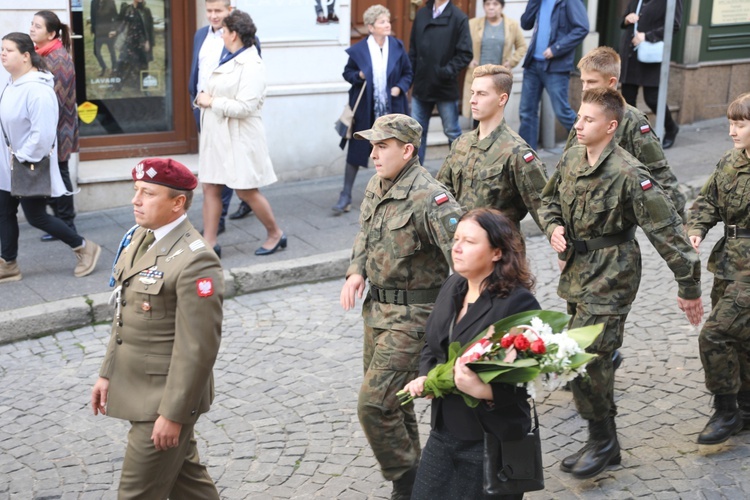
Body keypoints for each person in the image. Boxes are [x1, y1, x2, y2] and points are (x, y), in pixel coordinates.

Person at [539, 87, 703, 479]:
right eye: (578, 118)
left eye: (588, 120)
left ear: (611, 127)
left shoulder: (629, 173)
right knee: (584, 360)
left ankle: (603, 441)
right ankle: (604, 441)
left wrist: (689, 287)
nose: (578, 125)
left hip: (614, 273)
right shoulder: (572, 157)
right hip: (578, 270)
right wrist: (553, 228)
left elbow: (667, 232)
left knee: (585, 356)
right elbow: (548, 202)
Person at [339, 113, 463, 499]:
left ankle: (408, 484)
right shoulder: (378, 184)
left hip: (413, 319)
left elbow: (463, 256)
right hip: (376, 312)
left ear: (407, 151)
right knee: (395, 403)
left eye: (382, 146)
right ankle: (418, 478)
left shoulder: (431, 197)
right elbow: (365, 233)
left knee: (373, 406)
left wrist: (464, 317)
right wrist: (355, 271)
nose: (373, 153)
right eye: (372, 145)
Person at [91, 157, 223, 498]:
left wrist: (173, 415)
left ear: (177, 203)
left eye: (148, 193)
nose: (136, 200)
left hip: (162, 400)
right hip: (136, 386)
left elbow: (198, 348)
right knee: (189, 486)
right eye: (136, 191)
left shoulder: (196, 259)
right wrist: (108, 373)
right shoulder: (139, 236)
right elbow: (124, 312)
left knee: (136, 494)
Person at [403, 208, 538, 500]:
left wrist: (485, 391)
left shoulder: (517, 303)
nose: (457, 247)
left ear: (497, 253)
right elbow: (432, 343)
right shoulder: (453, 285)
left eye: (470, 241)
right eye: (456, 239)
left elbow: (529, 376)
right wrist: (426, 376)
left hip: (489, 437)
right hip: (444, 429)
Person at [0, 32, 101, 283]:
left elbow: (42, 136)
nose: (2, 53)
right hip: (7, 165)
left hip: (26, 164)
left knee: (36, 216)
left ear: (25, 56)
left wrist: (20, 157)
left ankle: (84, 247)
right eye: (1, 48)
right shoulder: (11, 84)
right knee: (4, 212)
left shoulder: (37, 90)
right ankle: (9, 263)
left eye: (8, 49)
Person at [195, 10, 285, 257]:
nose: (221, 35)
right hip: (217, 134)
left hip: (239, 136)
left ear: (234, 34)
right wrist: (204, 99)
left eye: (224, 31)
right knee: (210, 187)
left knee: (245, 191)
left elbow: (245, 107)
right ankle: (209, 243)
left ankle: (276, 234)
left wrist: (210, 101)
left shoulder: (252, 64)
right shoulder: (229, 56)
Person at [687, 92, 750, 445]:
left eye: (739, 124)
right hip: (728, 263)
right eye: (730, 123)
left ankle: (725, 412)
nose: (731, 131)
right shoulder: (731, 161)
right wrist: (696, 230)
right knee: (742, 339)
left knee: (715, 333)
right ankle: (746, 408)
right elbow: (708, 201)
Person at [565, 46, 685, 219]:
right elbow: (569, 159)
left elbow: (659, 172)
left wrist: (681, 220)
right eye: (583, 82)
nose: (584, 88)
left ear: (611, 82)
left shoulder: (632, 120)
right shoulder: (584, 114)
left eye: (591, 82)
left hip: (611, 218)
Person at [437, 64, 547, 230]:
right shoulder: (461, 144)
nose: (472, 100)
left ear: (502, 99)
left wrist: (564, 250)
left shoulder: (517, 152)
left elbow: (544, 207)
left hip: (500, 247)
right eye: (473, 92)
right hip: (464, 245)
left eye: (481, 94)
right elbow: (441, 193)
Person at [332, 4, 413, 215]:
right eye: (382, 22)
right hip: (366, 110)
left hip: (392, 109)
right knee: (356, 152)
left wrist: (400, 87)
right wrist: (358, 76)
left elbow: (407, 72)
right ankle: (346, 195)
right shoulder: (359, 50)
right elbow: (347, 73)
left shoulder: (397, 45)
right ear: (371, 27)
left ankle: (395, 194)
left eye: (387, 21)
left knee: (394, 151)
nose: (387, 25)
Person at [188, 0, 254, 233]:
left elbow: (249, 77)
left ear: (230, 10)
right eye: (209, 11)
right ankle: (229, 211)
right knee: (216, 168)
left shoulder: (241, 38)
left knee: (224, 167)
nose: (213, 16)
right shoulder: (200, 35)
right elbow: (197, 69)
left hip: (225, 111)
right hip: (202, 109)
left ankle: (219, 220)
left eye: (218, 11)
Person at [29, 10, 80, 242]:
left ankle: (67, 225)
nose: (31, 29)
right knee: (55, 172)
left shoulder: (57, 60)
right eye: (32, 24)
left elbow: (54, 101)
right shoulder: (43, 54)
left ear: (50, 34)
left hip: (58, 128)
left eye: (37, 26)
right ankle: (61, 223)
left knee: (60, 172)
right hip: (54, 127)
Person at [518, 0, 589, 151]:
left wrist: (556, 48)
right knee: (526, 112)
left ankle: (591, 145)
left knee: (562, 112)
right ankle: (526, 159)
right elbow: (525, 24)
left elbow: (582, 28)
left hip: (556, 66)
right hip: (532, 64)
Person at [409, 0, 472, 164]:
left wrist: (445, 71)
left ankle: (459, 174)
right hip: (421, 85)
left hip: (445, 86)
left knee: (452, 132)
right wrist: (411, 77)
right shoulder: (422, 14)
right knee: (416, 134)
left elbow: (465, 54)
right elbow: (413, 50)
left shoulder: (459, 18)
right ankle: (415, 176)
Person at [620, 0, 683, 149]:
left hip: (650, 54)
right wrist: (627, 19)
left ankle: (671, 128)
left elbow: (674, 25)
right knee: (628, 98)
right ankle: (633, 135)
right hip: (630, 54)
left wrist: (647, 36)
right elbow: (624, 21)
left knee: (652, 99)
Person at [462, 0, 527, 129]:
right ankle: (478, 143)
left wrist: (511, 62)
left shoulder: (511, 26)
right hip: (479, 77)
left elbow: (522, 46)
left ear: (502, 7)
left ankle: (495, 145)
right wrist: (468, 60)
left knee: (496, 110)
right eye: (487, 4)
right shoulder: (473, 24)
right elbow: (459, 44)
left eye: (495, 4)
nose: (491, 7)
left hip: (498, 78)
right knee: (479, 110)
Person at [113, 0, 155, 90]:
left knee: (143, 64)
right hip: (130, 40)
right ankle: (117, 86)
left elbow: (149, 28)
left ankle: (144, 87)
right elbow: (123, 23)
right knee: (122, 62)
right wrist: (116, 32)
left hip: (141, 41)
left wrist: (148, 41)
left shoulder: (146, 10)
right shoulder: (128, 9)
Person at [91, 0, 118, 76]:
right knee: (96, 51)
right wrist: (93, 29)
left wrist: (113, 29)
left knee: (112, 51)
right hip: (98, 32)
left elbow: (115, 16)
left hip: (108, 31)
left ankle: (114, 69)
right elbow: (92, 16)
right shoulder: (94, 2)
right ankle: (104, 67)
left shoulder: (110, 1)